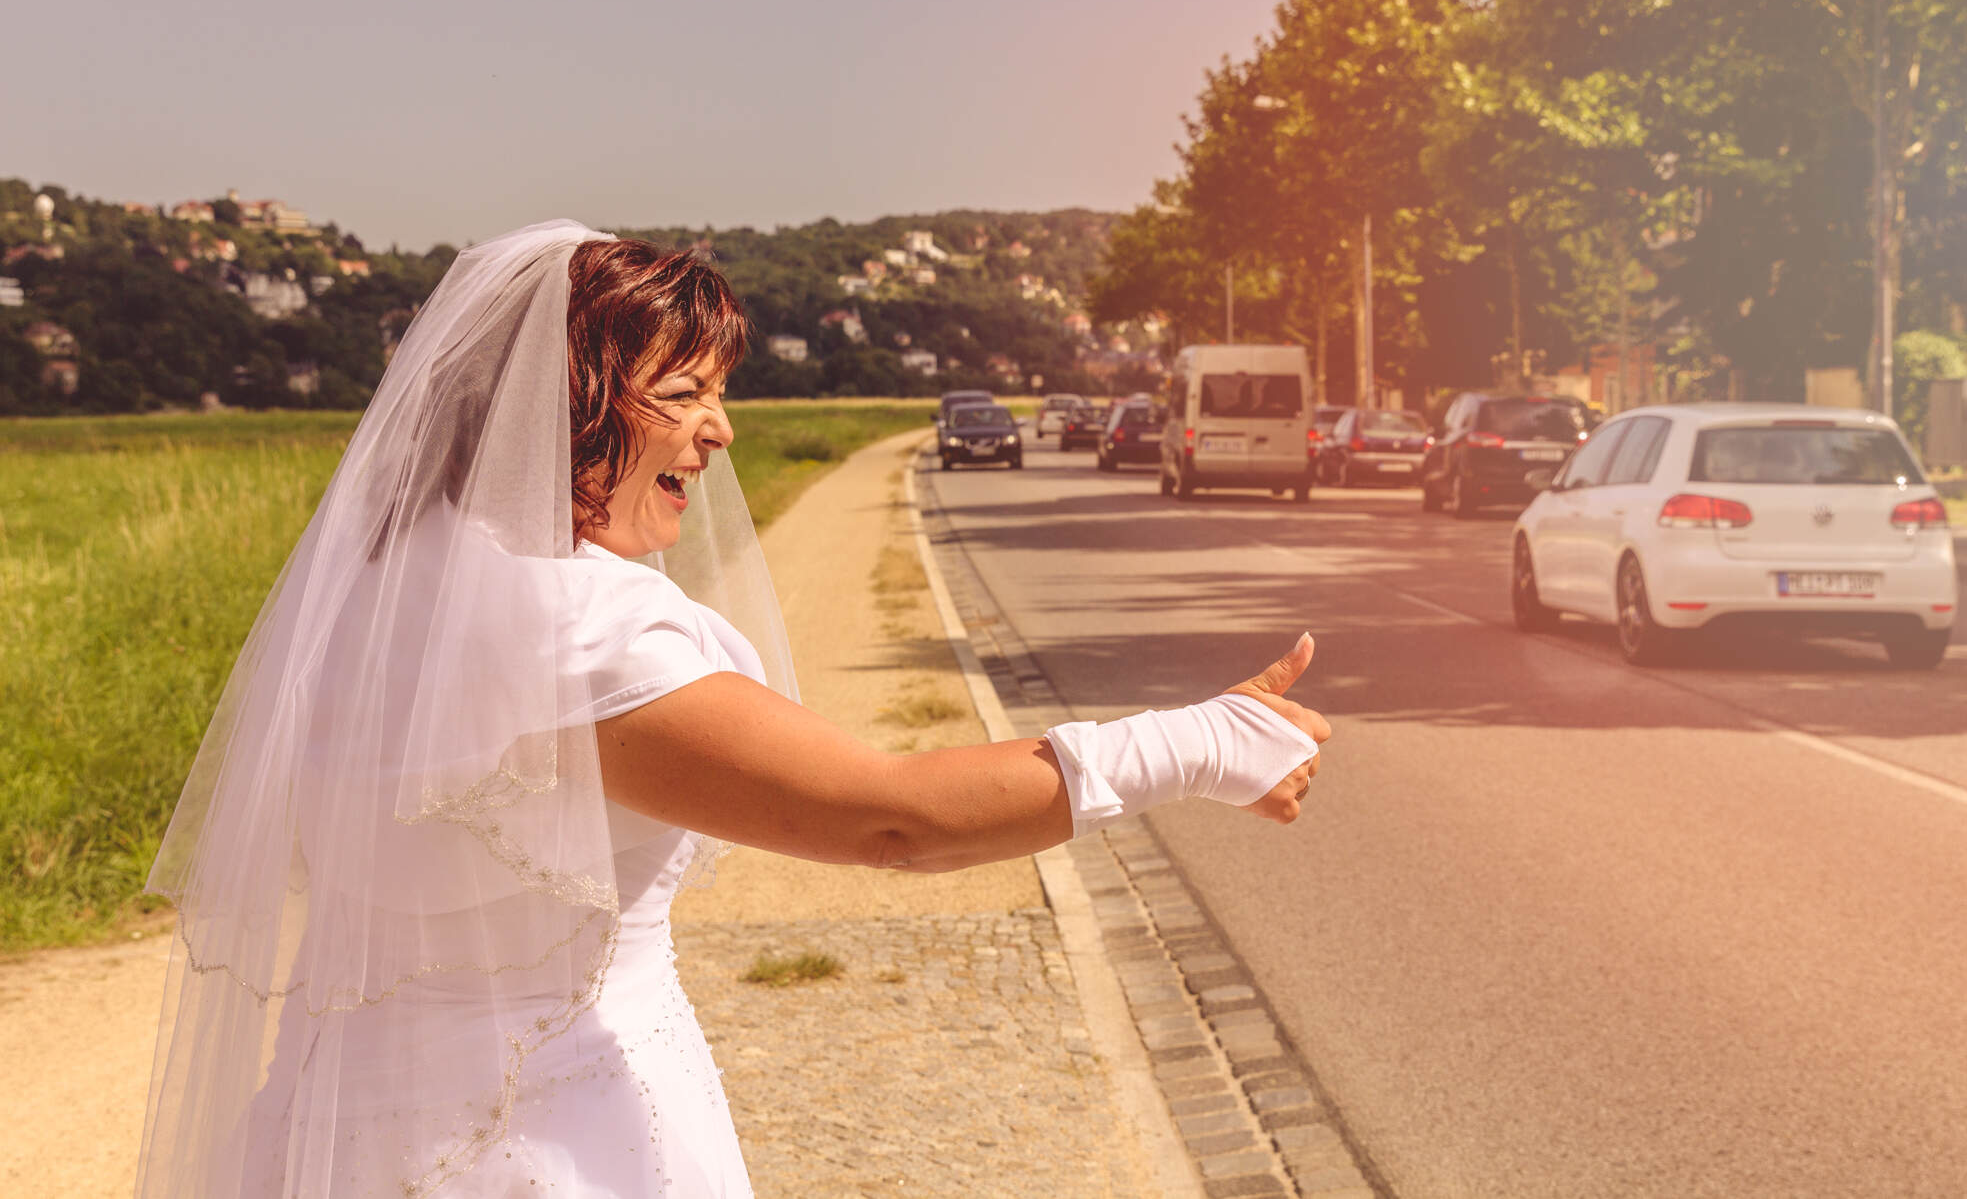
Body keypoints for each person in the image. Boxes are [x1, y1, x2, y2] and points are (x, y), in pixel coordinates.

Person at [135, 221, 1329, 1198]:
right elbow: (892, 821)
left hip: (329, 1139)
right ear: (576, 404)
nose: (721, 429)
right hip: (557, 1147)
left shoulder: (376, 604)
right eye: (686, 390)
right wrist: (1198, 741)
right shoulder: (586, 632)